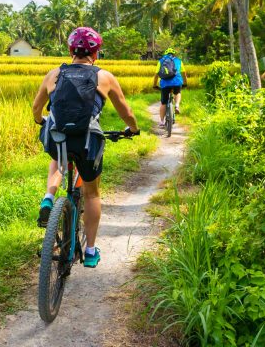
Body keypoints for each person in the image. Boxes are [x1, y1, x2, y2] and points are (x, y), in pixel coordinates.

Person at [32, 27, 140, 268]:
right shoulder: (105, 77)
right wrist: (133, 129)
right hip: (88, 142)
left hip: (58, 138)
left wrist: (40, 122)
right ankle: (90, 251)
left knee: (59, 155)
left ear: (71, 51)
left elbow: (36, 108)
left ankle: (49, 197)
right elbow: (126, 112)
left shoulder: (54, 74)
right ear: (96, 54)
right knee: (91, 193)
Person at [153, 48, 188, 127]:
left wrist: (154, 85)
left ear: (166, 54)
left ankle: (162, 122)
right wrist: (185, 83)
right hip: (177, 81)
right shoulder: (179, 61)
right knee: (177, 93)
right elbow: (184, 74)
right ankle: (177, 105)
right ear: (174, 54)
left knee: (163, 103)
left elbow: (156, 75)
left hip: (165, 83)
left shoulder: (161, 61)